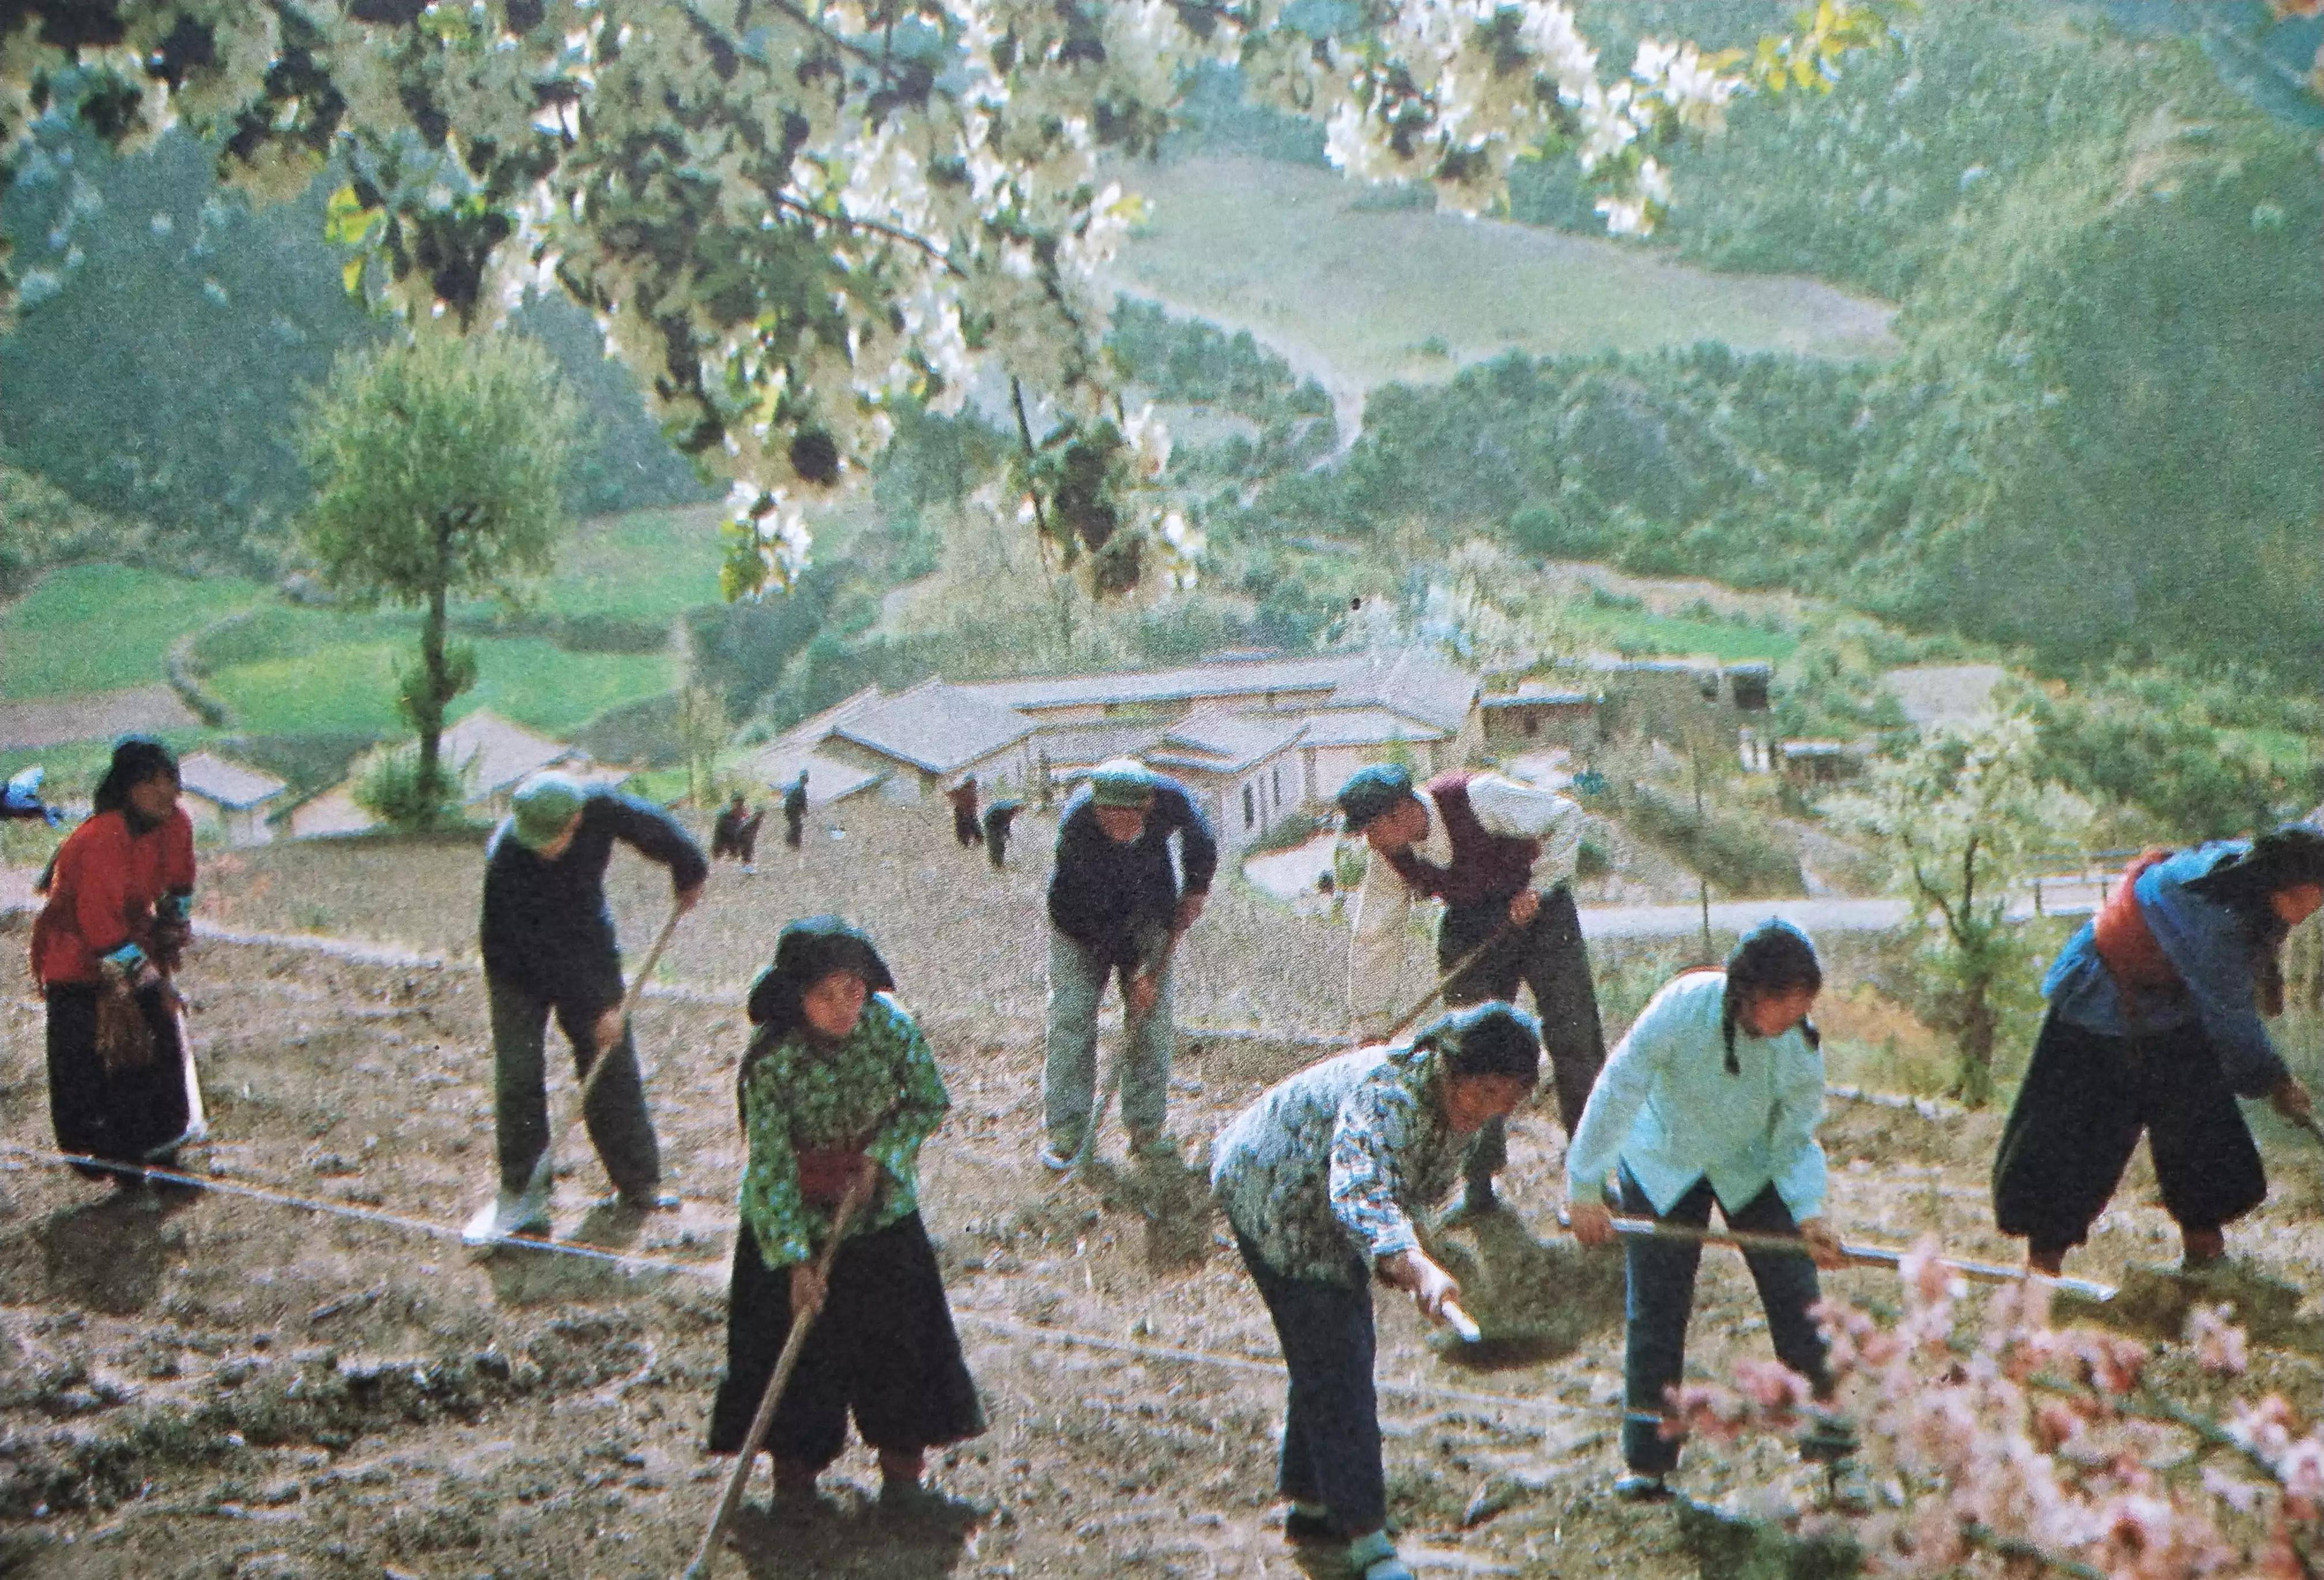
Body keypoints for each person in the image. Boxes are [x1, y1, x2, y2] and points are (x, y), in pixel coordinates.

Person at [1211, 1002, 1542, 1580]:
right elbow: (1360, 1189)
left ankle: (1312, 1506)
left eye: (1507, 1099)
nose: (1491, 1109)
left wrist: (1419, 1259)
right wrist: (1414, 1264)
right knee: (1338, 1357)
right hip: (1273, 1191)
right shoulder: (1390, 1095)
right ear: (1453, 1069)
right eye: (1485, 1091)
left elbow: (1406, 1186)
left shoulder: (1460, 1107)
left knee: (1333, 1351)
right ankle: (1367, 1540)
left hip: (1327, 1209)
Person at [1564, 920, 1857, 1503]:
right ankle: (1648, 1463)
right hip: (1664, 1157)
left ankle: (1837, 1456)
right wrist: (1585, 1184)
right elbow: (1621, 1085)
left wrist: (1809, 1213)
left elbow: (1795, 1137)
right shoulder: (1682, 1005)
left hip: (1750, 1163)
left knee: (1799, 1297)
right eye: (1783, 1005)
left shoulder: (1799, 1047)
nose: (1793, 1019)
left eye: (1802, 1008)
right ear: (1748, 991)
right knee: (1657, 1308)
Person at [707, 917, 984, 1514]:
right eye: (826, 995)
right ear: (797, 996)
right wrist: (795, 1263)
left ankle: (904, 1477)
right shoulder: (772, 1062)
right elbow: (770, 1166)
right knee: (796, 1351)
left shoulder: (891, 1029)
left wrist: (881, 1157)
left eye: (854, 991)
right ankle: (795, 1482)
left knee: (899, 1343)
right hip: (793, 1217)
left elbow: (927, 1101)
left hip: (878, 1213)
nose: (844, 1008)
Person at [1992, 825, 2324, 1277]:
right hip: (2100, 1001)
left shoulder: (2249, 877)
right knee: (2075, 1135)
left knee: (2199, 1122)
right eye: (2316, 897)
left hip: (2170, 1005)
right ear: (2291, 887)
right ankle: (2042, 1268)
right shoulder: (2217, 919)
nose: (2316, 908)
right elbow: (2230, 1018)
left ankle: (2206, 1254)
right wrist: (2276, 1082)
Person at [1337, 762, 1608, 1217]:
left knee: (1575, 1038)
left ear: (1399, 813)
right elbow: (1376, 936)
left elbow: (1566, 816)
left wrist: (1539, 886)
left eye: (1370, 829)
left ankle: (1590, 1185)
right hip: (1470, 924)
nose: (1368, 841)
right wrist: (1371, 1023)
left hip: (1542, 914)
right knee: (1468, 1055)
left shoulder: (1479, 797)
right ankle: (1479, 1185)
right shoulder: (1388, 858)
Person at [465, 771, 707, 1244]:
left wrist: (689, 869)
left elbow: (652, 826)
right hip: (517, 965)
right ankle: (523, 1195)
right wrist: (599, 1008)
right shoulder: (508, 859)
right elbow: (543, 948)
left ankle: (638, 1183)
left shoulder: (599, 807)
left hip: (587, 942)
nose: (541, 847)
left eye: (550, 838)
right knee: (519, 1073)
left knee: (610, 1060)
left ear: (576, 820)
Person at [30, 738, 201, 1184]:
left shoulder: (177, 824)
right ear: (128, 788)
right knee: (89, 1062)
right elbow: (98, 923)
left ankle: (164, 1150)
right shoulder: (98, 839)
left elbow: (180, 885)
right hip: (74, 957)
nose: (165, 791)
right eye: (151, 782)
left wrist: (171, 934)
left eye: (170, 779)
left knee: (157, 1043)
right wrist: (151, 979)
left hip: (132, 938)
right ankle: (111, 1160)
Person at [1042, 758, 1216, 1169]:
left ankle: (1146, 1128)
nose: (1119, 828)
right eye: (1110, 818)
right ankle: (1067, 1133)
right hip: (1082, 925)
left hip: (1151, 912)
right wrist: (1137, 971)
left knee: (1151, 1023)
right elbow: (1097, 915)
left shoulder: (1171, 799)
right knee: (1072, 1017)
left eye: (1129, 818)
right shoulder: (1077, 826)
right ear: (1097, 808)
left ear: (1148, 805)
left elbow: (1202, 840)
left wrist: (1196, 890)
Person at [711, 792, 765, 875]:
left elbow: (746, 828)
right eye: (737, 803)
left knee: (747, 837)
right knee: (744, 836)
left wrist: (753, 821)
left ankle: (746, 863)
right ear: (733, 803)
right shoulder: (725, 814)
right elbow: (719, 834)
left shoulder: (743, 812)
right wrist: (718, 849)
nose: (739, 806)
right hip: (726, 837)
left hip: (737, 836)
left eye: (741, 804)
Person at [981, 798, 1021, 871]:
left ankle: (998, 864)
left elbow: (1007, 823)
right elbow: (1002, 823)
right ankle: (997, 865)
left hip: (996, 826)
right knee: (996, 845)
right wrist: (1004, 833)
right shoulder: (1005, 811)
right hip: (992, 825)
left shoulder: (1009, 811)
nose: (1020, 812)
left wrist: (1007, 833)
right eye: (1019, 809)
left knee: (1001, 845)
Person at [946, 774, 982, 849]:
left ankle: (969, 842)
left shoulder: (965, 791)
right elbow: (950, 795)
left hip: (967, 814)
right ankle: (967, 843)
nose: (974, 785)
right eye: (973, 783)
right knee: (966, 829)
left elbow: (950, 795)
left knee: (970, 829)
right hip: (964, 814)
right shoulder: (964, 791)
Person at [783, 770, 809, 851]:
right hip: (793, 810)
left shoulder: (795, 786)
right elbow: (802, 802)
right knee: (797, 826)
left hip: (789, 809)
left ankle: (792, 841)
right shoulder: (800, 789)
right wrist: (804, 810)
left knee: (795, 825)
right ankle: (793, 842)